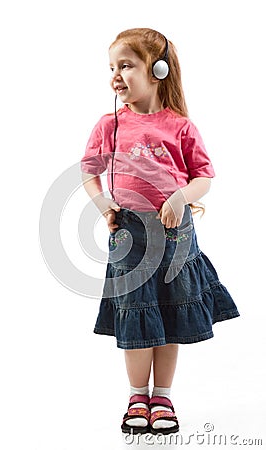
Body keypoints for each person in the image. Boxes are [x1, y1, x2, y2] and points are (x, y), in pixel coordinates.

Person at [81, 28, 239, 436]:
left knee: (170, 310)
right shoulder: (109, 124)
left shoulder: (181, 127)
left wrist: (180, 198)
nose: (116, 75)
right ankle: (137, 395)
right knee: (136, 309)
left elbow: (204, 177)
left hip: (175, 235)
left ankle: (162, 397)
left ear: (158, 70)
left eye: (126, 65)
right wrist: (104, 207)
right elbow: (89, 172)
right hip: (130, 235)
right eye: (112, 67)